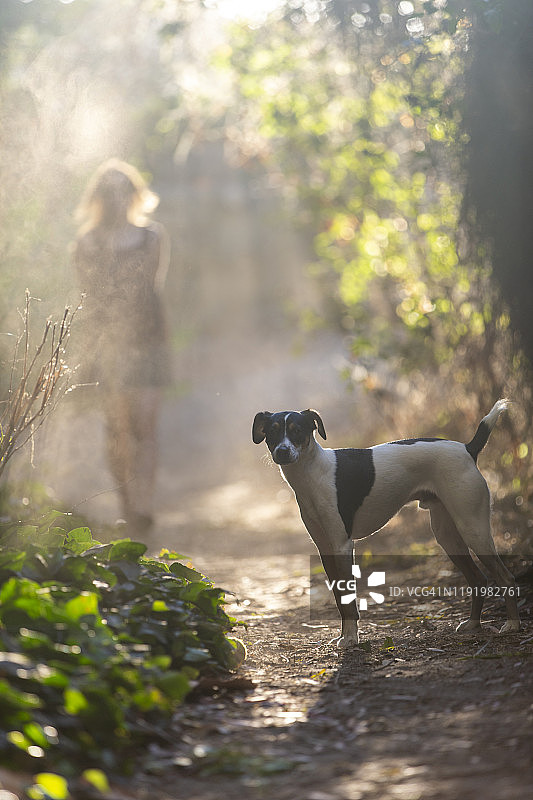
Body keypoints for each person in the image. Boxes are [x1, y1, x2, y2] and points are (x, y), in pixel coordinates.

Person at [73, 159, 170, 537]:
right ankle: (126, 506)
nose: (115, 198)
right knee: (117, 429)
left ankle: (143, 505)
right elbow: (87, 299)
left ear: (133, 193)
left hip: (147, 342)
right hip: (106, 346)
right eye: (107, 191)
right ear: (97, 197)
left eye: (122, 189)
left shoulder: (153, 236)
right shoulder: (85, 243)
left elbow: (151, 289)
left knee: (145, 426)